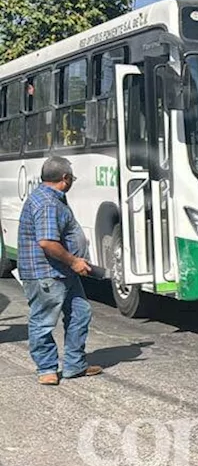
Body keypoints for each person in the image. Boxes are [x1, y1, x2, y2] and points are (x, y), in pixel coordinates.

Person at [18, 156, 100, 386]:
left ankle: (75, 365)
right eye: (72, 177)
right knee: (43, 321)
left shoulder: (52, 198)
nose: (72, 180)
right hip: (47, 273)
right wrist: (74, 261)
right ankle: (46, 368)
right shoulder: (47, 203)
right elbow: (47, 242)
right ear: (65, 178)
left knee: (80, 313)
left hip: (63, 272)